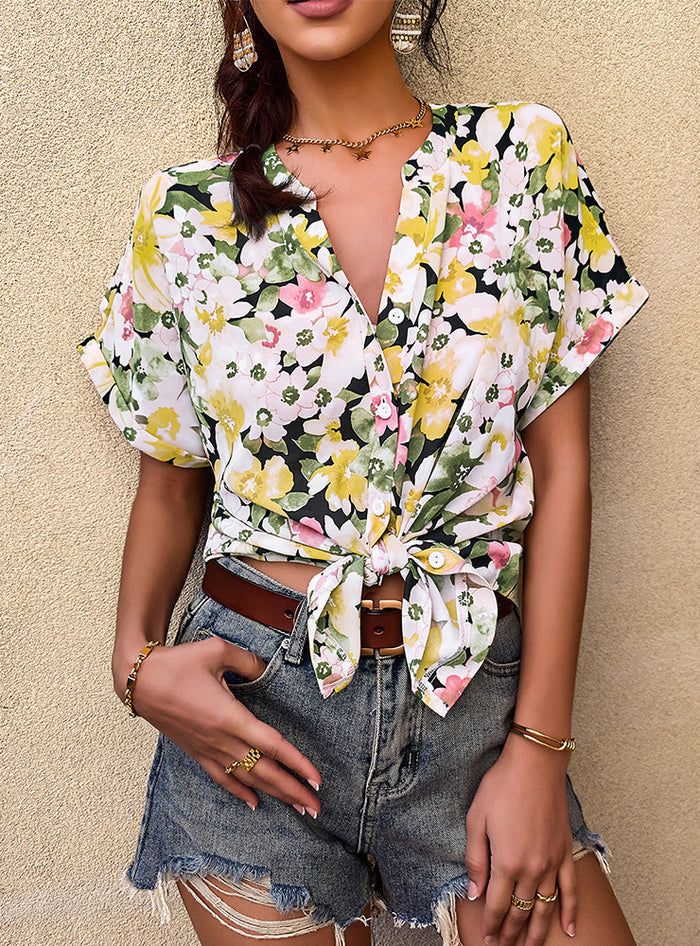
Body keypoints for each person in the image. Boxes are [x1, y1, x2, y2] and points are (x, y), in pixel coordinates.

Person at [78, 1, 649, 944]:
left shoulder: (521, 160)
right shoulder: (184, 215)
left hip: (473, 704)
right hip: (255, 711)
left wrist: (540, 751)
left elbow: (564, 472)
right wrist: (135, 669)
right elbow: (172, 482)